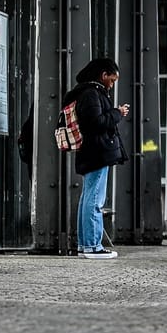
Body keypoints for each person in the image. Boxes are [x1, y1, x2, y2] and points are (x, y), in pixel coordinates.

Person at [66, 57, 129, 259]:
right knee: (94, 200)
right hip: (97, 152)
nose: (112, 84)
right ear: (103, 75)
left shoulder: (85, 92)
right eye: (112, 79)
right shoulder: (92, 94)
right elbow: (95, 123)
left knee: (88, 198)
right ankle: (93, 246)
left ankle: (85, 245)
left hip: (90, 151)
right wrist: (117, 113)